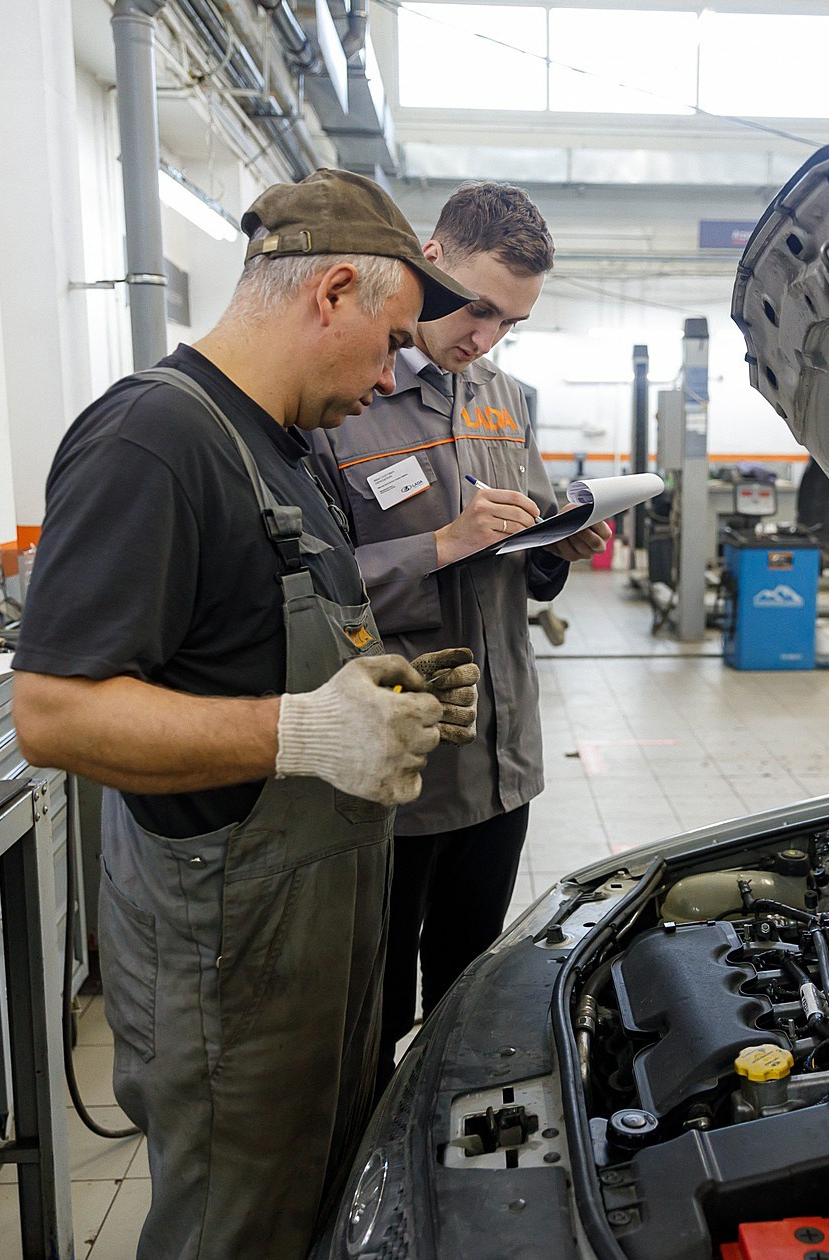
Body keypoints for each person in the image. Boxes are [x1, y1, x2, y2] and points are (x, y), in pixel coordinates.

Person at [12, 169, 482, 1260]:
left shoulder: (288, 444)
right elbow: (55, 714)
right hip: (227, 952)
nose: (387, 380)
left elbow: (264, 645)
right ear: (330, 290)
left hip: (317, 929)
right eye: (383, 345)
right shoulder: (153, 438)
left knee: (309, 1225)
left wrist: (395, 694)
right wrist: (305, 729)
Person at [309, 182, 611, 1090]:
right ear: (429, 262)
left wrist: (565, 540)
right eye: (477, 308)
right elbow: (311, 589)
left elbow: (523, 557)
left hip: (501, 755)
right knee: (373, 1008)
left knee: (468, 996)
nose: (483, 337)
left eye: (509, 322)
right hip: (398, 769)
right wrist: (440, 544)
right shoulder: (340, 396)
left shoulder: (506, 399)